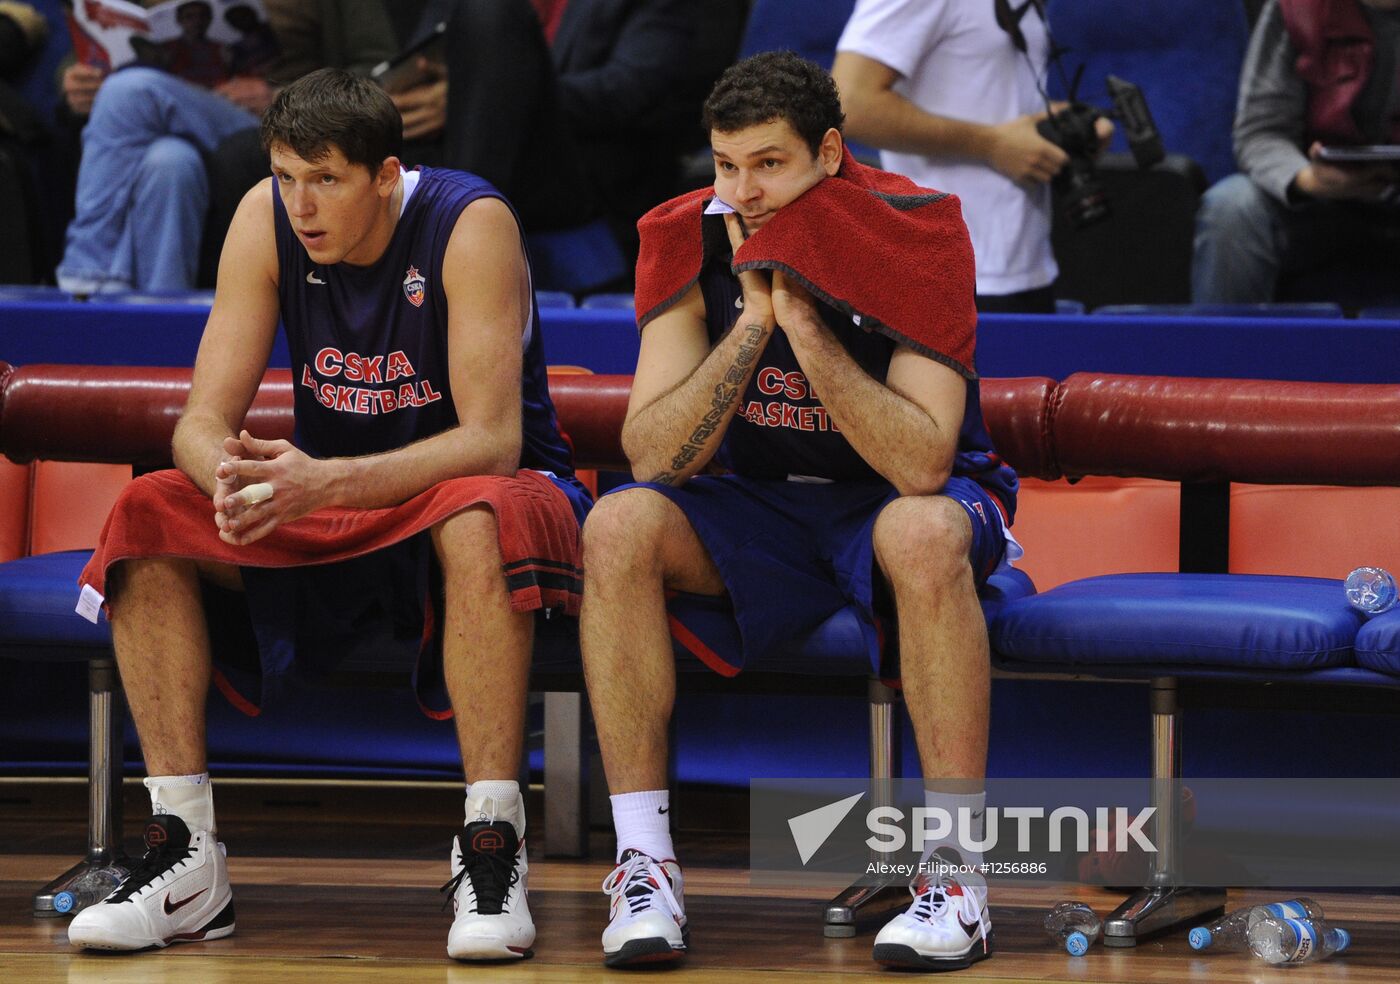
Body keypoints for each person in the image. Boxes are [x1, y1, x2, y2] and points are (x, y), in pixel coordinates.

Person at [65, 68, 590, 962]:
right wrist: (226, 478)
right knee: (151, 507)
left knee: (477, 512)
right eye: (286, 178)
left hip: (487, 494)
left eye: (326, 180)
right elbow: (200, 420)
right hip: (340, 499)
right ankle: (185, 854)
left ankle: (492, 843)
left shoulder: (470, 225)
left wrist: (325, 486)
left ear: (385, 175)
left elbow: (494, 444)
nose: (301, 205)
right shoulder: (261, 220)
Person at [578, 51, 1019, 971]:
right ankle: (643, 866)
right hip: (762, 508)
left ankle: (957, 875)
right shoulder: (683, 232)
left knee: (922, 529)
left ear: (828, 151)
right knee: (618, 521)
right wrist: (749, 323)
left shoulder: (917, 227)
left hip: (899, 503)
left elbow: (920, 461)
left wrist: (806, 323)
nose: (744, 192)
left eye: (769, 164)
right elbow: (652, 454)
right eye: (726, 166)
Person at [55, 0, 394, 294]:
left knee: (126, 92)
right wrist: (77, 78)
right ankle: (159, 321)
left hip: (277, 125)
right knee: (169, 164)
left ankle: (85, 275)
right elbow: (86, 51)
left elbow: (382, 69)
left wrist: (280, 97)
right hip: (167, 117)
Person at [385, 0, 745, 267]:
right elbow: (419, 60)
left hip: (584, 173)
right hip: (456, 148)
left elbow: (632, 90)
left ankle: (461, 227)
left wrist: (487, 95)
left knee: (493, 11)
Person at [832, 0, 1108, 315]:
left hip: (1024, 267)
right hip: (937, 273)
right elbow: (851, 102)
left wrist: (1061, 126)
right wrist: (991, 145)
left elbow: (990, 98)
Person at [1191, 0, 1400, 304]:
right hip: (1320, 206)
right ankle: (1222, 351)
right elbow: (1261, 131)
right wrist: (1307, 180)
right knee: (1232, 207)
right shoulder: (1296, 8)